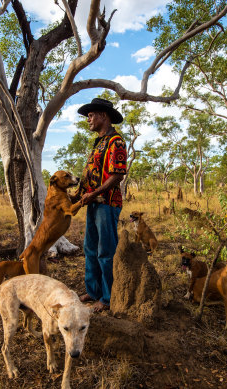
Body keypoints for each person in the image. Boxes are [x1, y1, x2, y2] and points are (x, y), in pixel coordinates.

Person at [73, 98, 127, 312]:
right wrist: (78, 196)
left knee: (105, 251)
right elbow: (90, 175)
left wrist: (94, 193)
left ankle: (107, 297)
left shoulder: (116, 142)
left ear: (104, 116)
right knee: (90, 248)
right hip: (93, 203)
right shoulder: (99, 143)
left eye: (91, 115)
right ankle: (93, 291)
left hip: (107, 204)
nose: (89, 120)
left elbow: (117, 176)